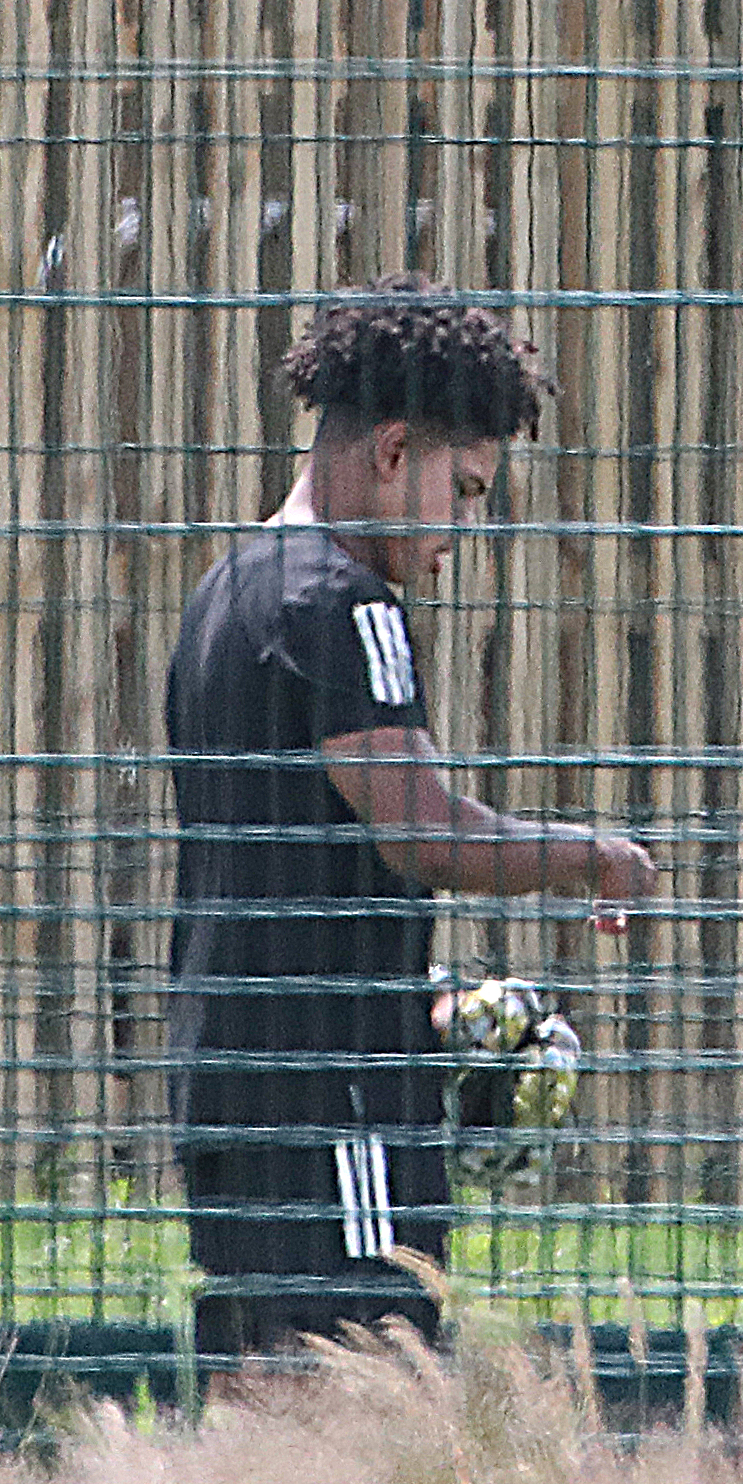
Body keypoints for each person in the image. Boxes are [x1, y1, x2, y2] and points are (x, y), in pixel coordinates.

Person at [165, 274, 657, 1358]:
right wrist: (593, 858)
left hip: (232, 1083)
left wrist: (420, 1005)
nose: (461, 530)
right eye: (466, 489)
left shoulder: (227, 593)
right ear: (394, 454)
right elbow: (419, 828)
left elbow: (296, 872)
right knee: (370, 1409)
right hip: (332, 1098)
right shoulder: (346, 604)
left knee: (264, 1415)